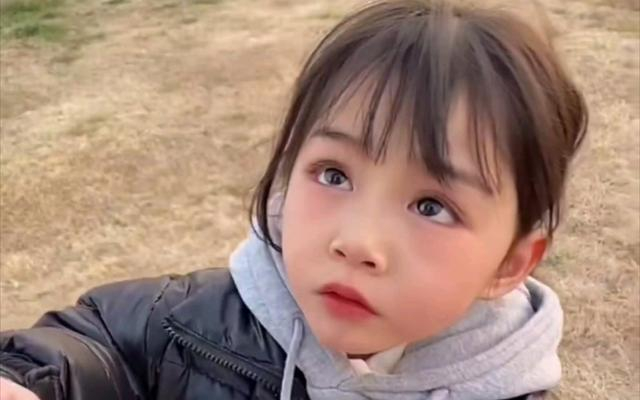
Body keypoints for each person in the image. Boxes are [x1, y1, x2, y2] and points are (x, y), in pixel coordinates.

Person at [0, 0, 588, 399]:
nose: (355, 242)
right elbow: (96, 344)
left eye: (431, 207)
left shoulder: (511, 383)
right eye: (334, 175)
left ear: (511, 264)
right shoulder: (201, 325)